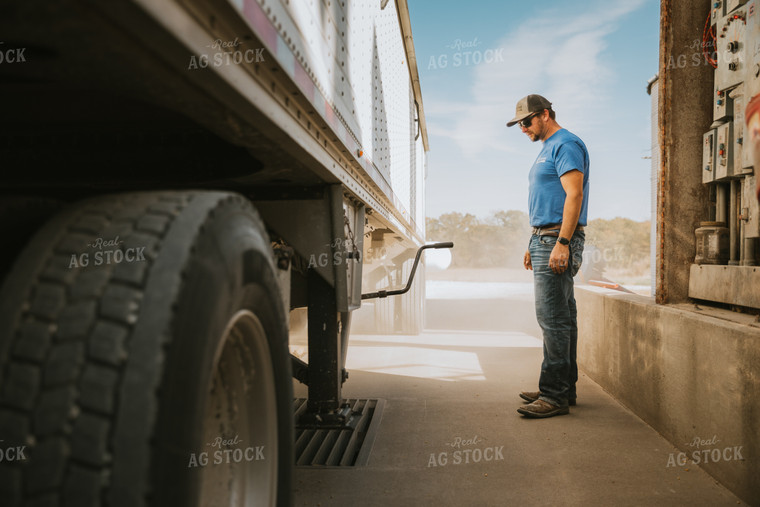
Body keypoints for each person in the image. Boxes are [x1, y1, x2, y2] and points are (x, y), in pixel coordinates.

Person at [506, 94, 590, 418]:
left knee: (552, 319)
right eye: (519, 125)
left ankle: (553, 396)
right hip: (545, 238)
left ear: (544, 115)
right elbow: (547, 200)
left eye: (526, 122)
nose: (523, 128)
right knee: (564, 318)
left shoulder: (565, 144)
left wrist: (563, 242)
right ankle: (563, 388)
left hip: (558, 239)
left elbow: (575, 195)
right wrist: (533, 241)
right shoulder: (547, 149)